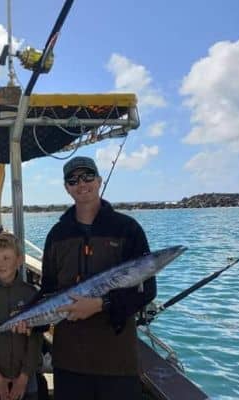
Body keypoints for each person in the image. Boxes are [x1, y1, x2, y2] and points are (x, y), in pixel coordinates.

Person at [25, 156, 156, 399]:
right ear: (66, 188)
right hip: (69, 360)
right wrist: (26, 319)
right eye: (73, 180)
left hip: (117, 359)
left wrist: (101, 304)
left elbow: (146, 289)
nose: (81, 183)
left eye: (87, 176)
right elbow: (48, 290)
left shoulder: (128, 229)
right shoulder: (57, 234)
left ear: (99, 180)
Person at [0, 232, 42, 400]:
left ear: (19, 260)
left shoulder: (30, 293)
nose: (0, 264)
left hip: (26, 377)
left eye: (6, 258)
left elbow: (36, 338)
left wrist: (24, 377)